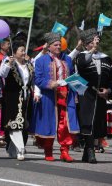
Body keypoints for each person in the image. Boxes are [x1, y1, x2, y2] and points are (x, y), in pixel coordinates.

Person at [30, 32, 79, 162]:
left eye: (59, 44)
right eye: (55, 45)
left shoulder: (67, 59)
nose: (58, 47)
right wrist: (51, 84)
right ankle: (48, 150)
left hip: (66, 94)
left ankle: (65, 151)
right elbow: (38, 79)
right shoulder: (41, 60)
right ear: (49, 46)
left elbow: (72, 75)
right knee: (49, 123)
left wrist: (77, 87)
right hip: (50, 96)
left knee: (65, 124)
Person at [76, 28, 112, 163]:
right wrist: (92, 51)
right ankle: (91, 150)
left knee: (97, 122)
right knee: (87, 121)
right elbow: (82, 65)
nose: (95, 43)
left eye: (96, 41)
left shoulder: (106, 58)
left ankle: (88, 149)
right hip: (86, 93)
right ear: (87, 44)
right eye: (92, 41)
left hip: (101, 95)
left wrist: (108, 90)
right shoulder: (82, 55)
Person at [0, 40, 34, 161]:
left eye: (24, 50)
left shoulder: (29, 64)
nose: (24, 52)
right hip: (12, 97)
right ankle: (20, 149)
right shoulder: (9, 62)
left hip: (25, 98)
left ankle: (12, 149)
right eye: (21, 50)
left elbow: (32, 80)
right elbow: (2, 74)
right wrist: (8, 63)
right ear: (15, 52)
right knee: (14, 124)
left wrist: (36, 93)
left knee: (23, 124)